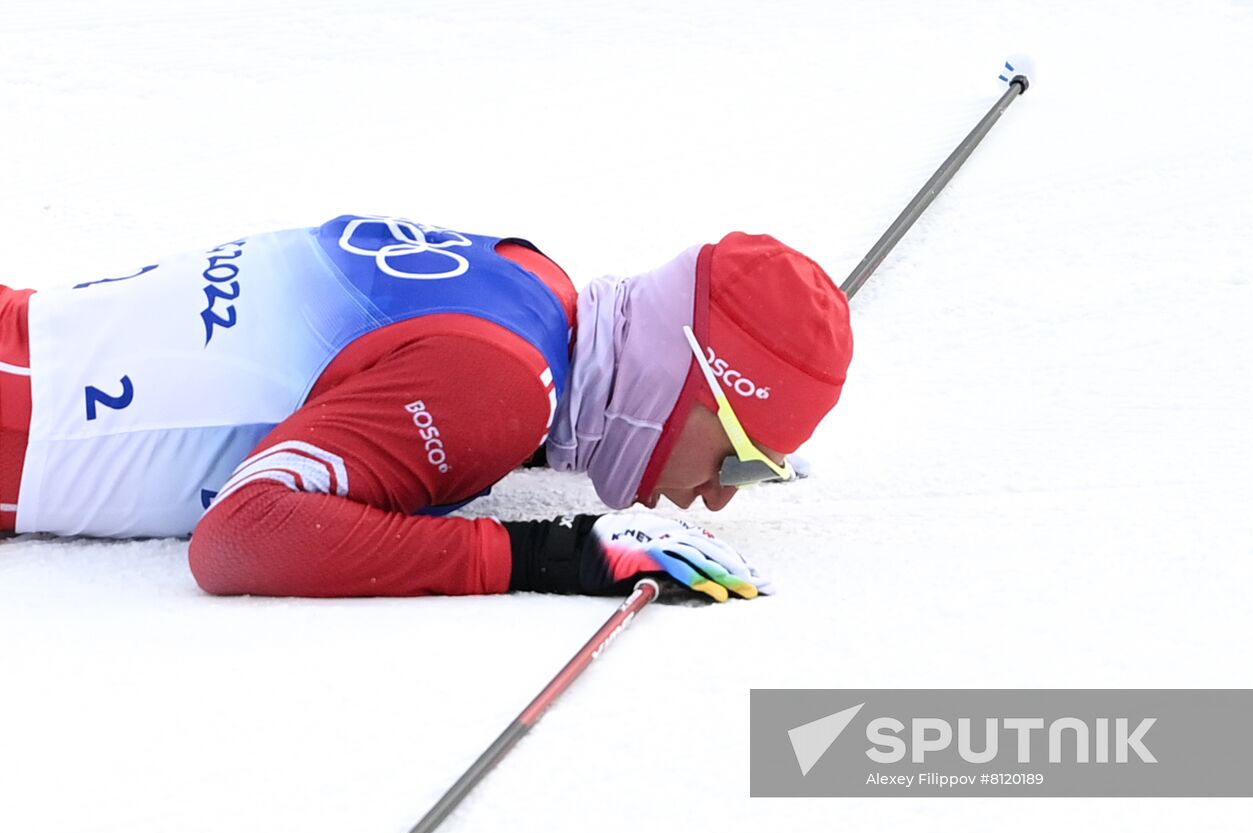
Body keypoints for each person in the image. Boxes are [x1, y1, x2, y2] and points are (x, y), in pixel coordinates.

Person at [0, 214, 853, 600]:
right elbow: (243, 536)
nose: (721, 497)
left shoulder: (530, 284)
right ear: (691, 378)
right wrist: (554, 557)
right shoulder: (506, 387)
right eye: (743, 456)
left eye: (766, 473)